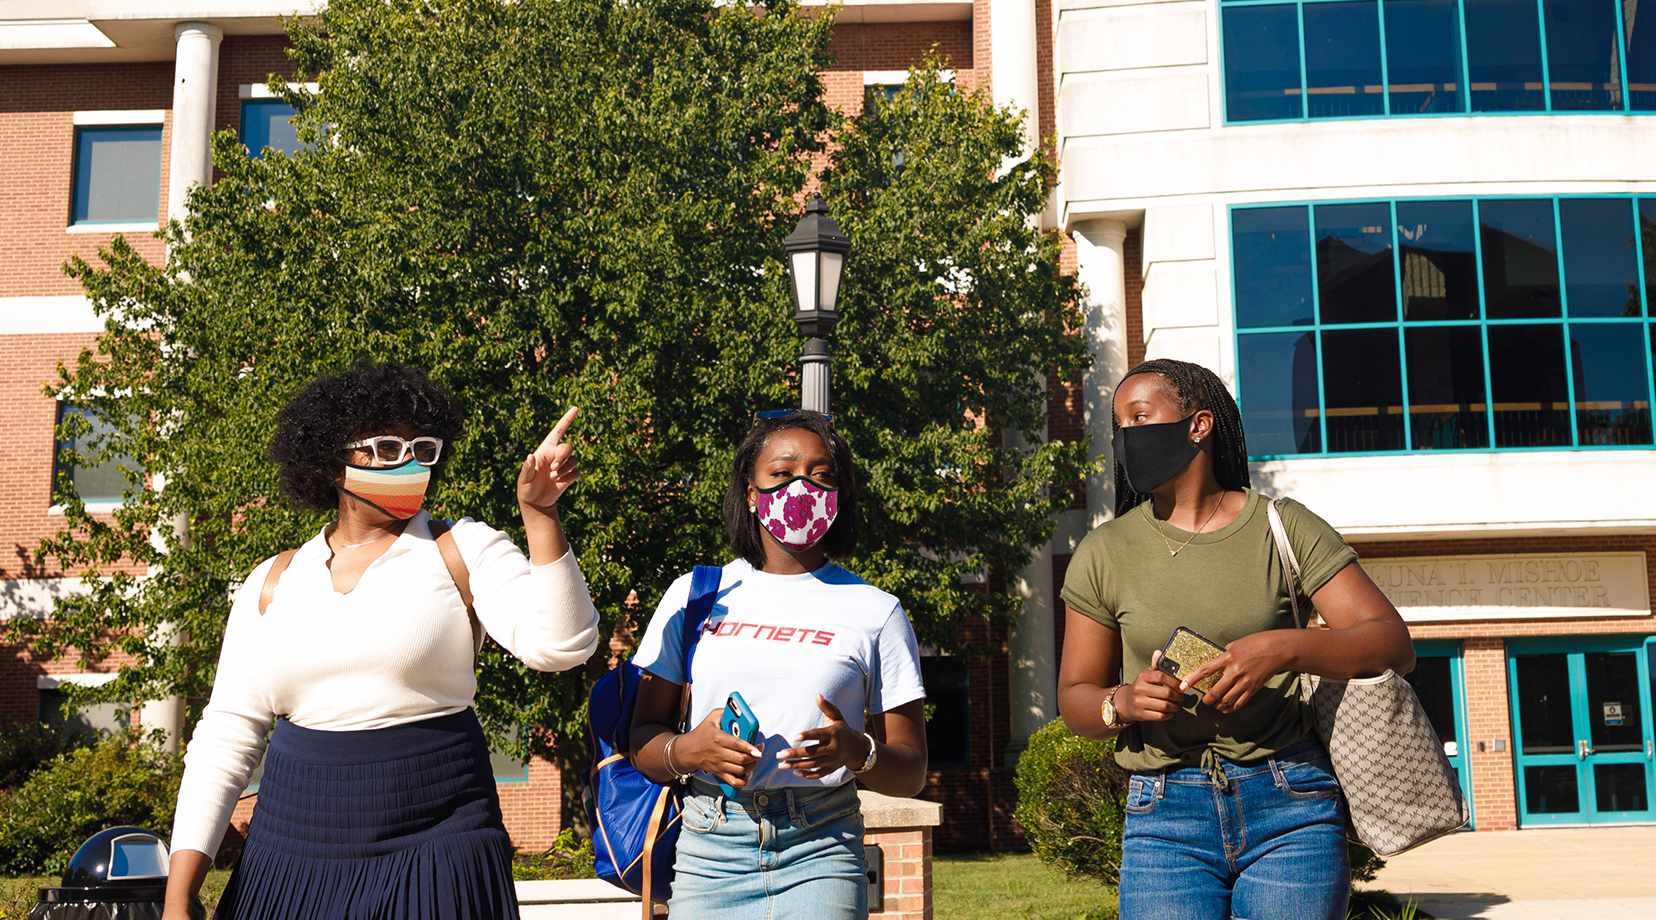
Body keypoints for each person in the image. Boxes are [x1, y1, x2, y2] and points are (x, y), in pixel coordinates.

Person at [162, 362, 601, 920]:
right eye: (387, 448)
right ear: (331, 459)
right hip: (291, 846)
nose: (409, 463)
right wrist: (180, 894)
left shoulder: (461, 548)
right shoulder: (273, 580)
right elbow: (227, 735)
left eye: (423, 447)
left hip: (440, 835)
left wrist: (540, 516)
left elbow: (563, 644)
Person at [1056, 359, 1415, 920]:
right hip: (1164, 814)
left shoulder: (1283, 526)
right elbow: (1076, 698)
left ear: (1199, 425)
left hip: (1290, 803)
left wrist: (1284, 647)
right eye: (1118, 425)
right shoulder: (1104, 552)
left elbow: (1391, 641)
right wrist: (1123, 702)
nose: (1125, 437)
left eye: (1140, 417)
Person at [626, 411, 928, 919]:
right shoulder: (695, 595)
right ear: (751, 492)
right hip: (710, 847)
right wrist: (689, 749)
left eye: (821, 475)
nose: (802, 487)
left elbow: (912, 769)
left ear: (839, 495)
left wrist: (860, 752)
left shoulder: (876, 610)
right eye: (782, 474)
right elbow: (641, 742)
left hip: (822, 845)